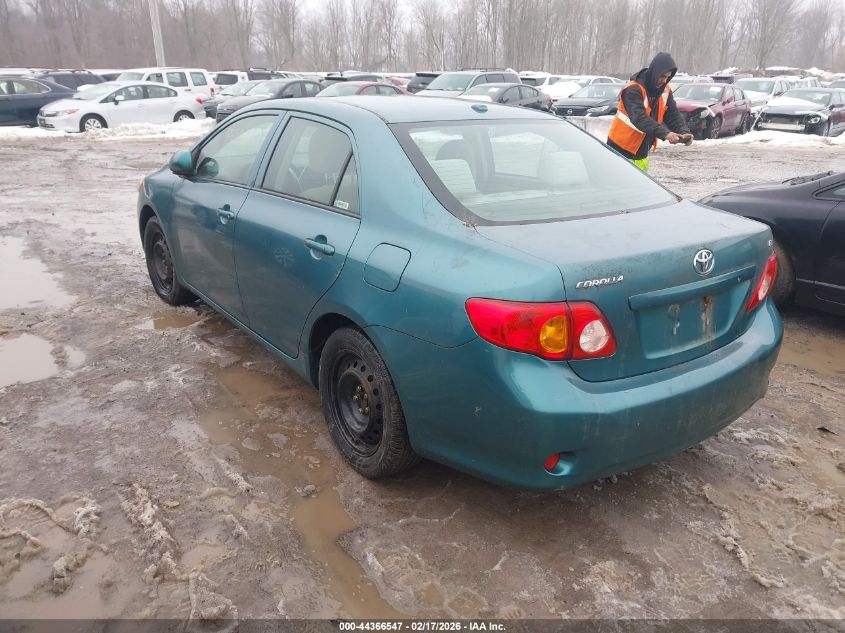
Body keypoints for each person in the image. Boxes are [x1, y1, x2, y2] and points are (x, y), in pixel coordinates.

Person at [607, 52, 693, 172]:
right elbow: (639, 118)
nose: (664, 80)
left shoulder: (665, 91)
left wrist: (684, 131)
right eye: (662, 76)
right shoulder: (633, 89)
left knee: (640, 183)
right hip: (619, 150)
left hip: (641, 152)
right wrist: (666, 133)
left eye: (668, 77)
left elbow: (672, 115)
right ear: (654, 72)